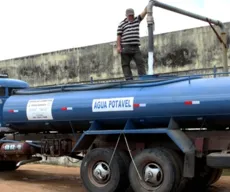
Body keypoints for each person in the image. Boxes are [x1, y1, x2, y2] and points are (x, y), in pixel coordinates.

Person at [117, 7, 147, 80]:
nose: (131, 17)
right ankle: (129, 80)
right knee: (125, 64)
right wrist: (118, 46)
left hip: (136, 47)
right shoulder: (121, 24)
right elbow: (118, 36)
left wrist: (147, 8)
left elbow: (143, 13)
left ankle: (143, 78)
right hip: (125, 47)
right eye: (129, 15)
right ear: (126, 16)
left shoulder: (136, 20)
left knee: (140, 62)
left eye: (132, 15)